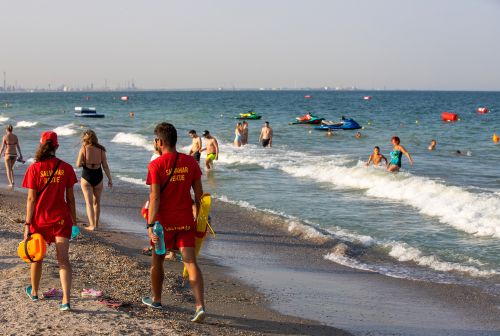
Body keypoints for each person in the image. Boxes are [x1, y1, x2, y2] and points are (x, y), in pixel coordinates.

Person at [142, 122, 206, 323]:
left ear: (160, 142)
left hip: (163, 225)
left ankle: (157, 299)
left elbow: (155, 198)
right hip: (186, 221)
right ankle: (199, 306)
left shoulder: (156, 165)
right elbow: (199, 195)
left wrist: (150, 224)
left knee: (157, 261)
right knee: (190, 262)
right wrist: (201, 220)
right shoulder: (191, 162)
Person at [22, 131, 77, 311]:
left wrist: (27, 224)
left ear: (41, 145)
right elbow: (70, 198)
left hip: (40, 221)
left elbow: (31, 199)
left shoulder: (34, 168)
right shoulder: (66, 168)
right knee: (63, 261)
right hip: (61, 219)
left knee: (37, 258)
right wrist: (74, 223)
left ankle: (35, 292)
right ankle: (66, 301)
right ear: (57, 146)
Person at [75, 129, 112, 231]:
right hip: (98, 176)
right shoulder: (101, 149)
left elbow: (78, 165)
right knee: (97, 202)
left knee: (89, 203)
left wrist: (83, 162)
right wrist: (110, 179)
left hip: (86, 176)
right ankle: (96, 224)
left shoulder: (84, 148)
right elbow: (105, 166)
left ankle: (91, 225)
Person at [0, 124, 23, 188]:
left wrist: (0, 155)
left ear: (6, 129)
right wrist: (21, 155)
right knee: (11, 168)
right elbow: (18, 146)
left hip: (8, 154)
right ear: (12, 129)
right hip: (14, 154)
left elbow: (2, 148)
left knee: (8, 169)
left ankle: (10, 183)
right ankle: (13, 181)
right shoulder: (15, 137)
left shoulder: (5, 137)